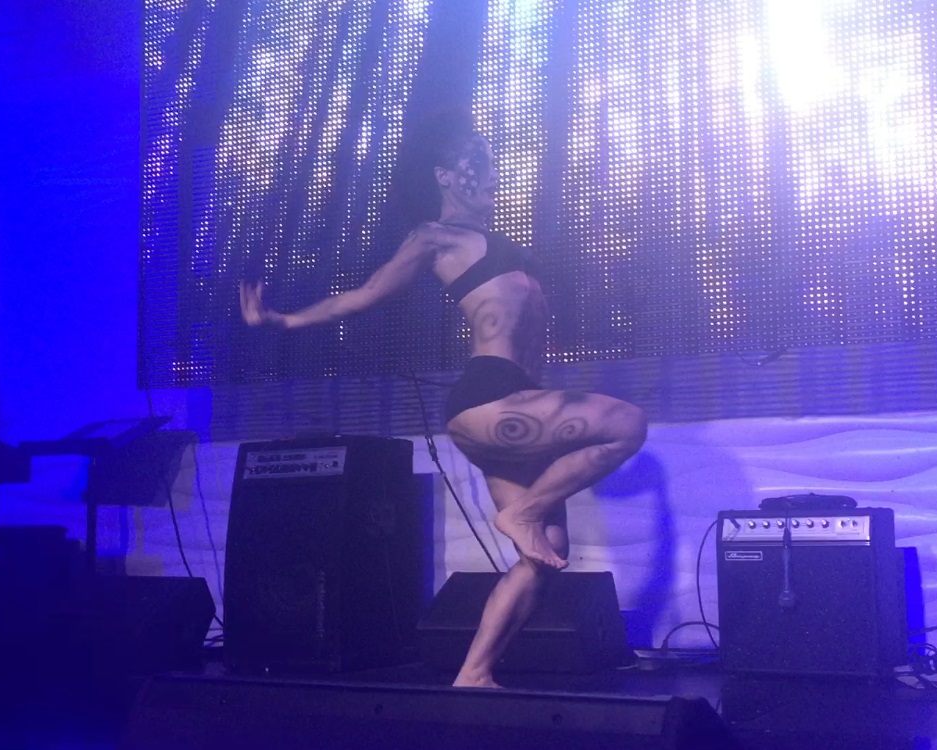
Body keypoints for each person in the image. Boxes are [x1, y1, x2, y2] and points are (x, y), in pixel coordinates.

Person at [238, 111, 647, 688]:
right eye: (478, 164)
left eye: (494, 165)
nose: (492, 176)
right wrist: (281, 320)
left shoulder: (502, 243)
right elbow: (362, 296)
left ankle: (474, 673)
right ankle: (522, 513)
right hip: (489, 398)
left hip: (519, 405)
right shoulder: (435, 237)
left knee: (544, 556)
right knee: (627, 423)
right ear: (445, 176)